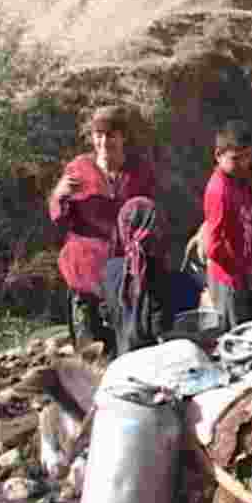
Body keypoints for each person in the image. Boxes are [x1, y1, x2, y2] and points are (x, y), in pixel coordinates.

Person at [49, 105, 156, 349]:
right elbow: (59, 219)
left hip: (123, 275)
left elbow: (147, 216)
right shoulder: (79, 169)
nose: (104, 142)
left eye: (110, 135)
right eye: (98, 135)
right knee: (90, 353)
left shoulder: (139, 171)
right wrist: (59, 196)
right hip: (84, 274)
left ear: (123, 137)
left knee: (125, 348)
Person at [102, 197, 203, 357]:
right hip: (156, 369)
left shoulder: (110, 270)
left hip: (124, 363)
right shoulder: (165, 278)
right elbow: (166, 331)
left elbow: (107, 316)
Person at [203, 119, 252, 331]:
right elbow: (212, 248)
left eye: (247, 156)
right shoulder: (219, 191)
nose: (243, 163)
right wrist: (241, 271)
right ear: (218, 156)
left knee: (249, 329)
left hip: (246, 272)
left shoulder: (242, 179)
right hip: (229, 281)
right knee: (234, 336)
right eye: (235, 158)